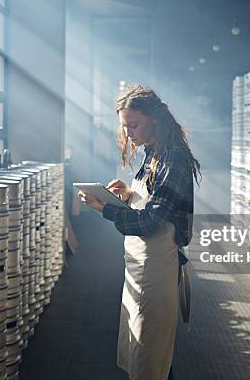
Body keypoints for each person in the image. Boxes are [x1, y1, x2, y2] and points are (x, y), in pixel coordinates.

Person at [78, 84, 201, 380]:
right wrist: (129, 194)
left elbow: (150, 222)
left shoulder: (173, 157)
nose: (129, 132)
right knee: (148, 350)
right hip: (140, 262)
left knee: (151, 352)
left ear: (155, 118)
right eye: (125, 126)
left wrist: (103, 208)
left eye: (133, 125)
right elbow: (154, 201)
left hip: (156, 264)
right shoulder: (153, 152)